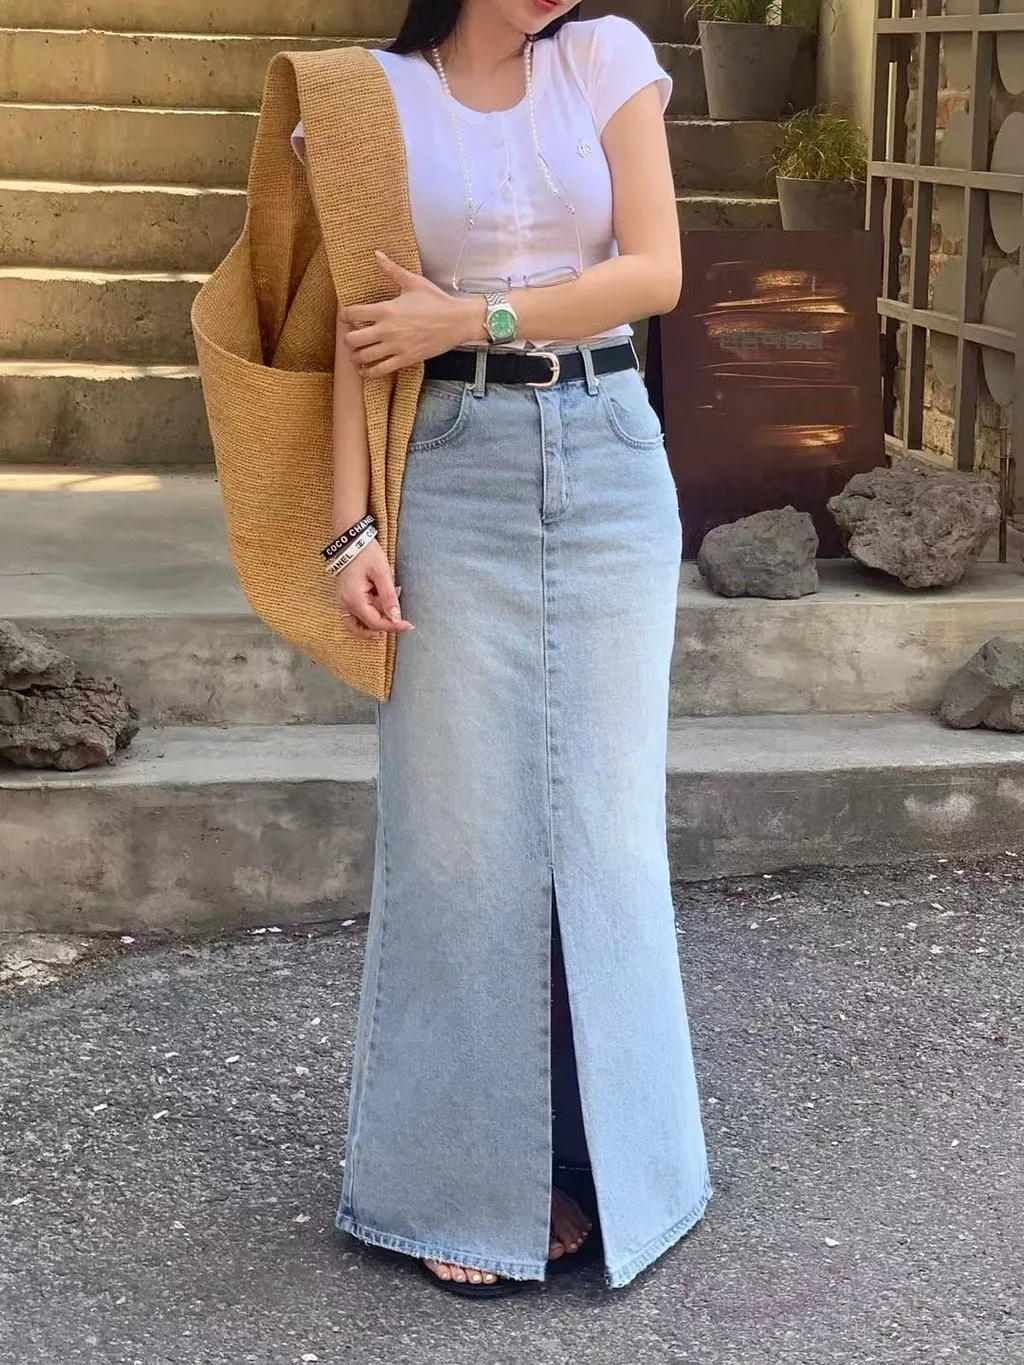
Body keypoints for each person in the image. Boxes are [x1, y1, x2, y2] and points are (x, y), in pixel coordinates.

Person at [289, 0, 712, 1297]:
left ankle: (625, 1169)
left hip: (610, 450)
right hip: (450, 466)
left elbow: (655, 274)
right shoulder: (366, 98)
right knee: (460, 837)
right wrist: (351, 530)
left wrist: (474, 318)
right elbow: (357, 331)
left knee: (608, 830)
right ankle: (461, 1190)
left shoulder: (604, 57)